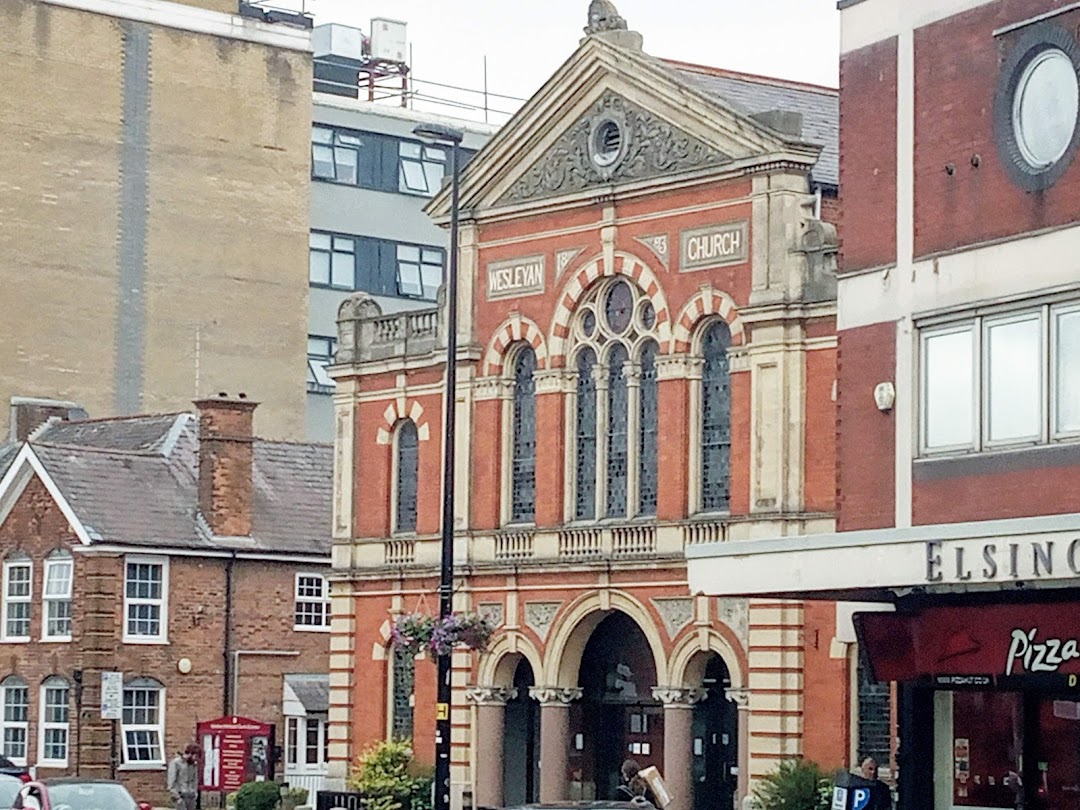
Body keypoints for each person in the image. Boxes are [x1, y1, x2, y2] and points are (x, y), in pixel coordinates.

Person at [167, 743, 200, 810]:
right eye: (195, 755)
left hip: (191, 796)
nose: (196, 758)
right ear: (190, 754)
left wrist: (195, 793)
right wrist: (177, 797)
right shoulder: (176, 763)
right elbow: (171, 783)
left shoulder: (193, 764)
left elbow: (195, 780)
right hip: (180, 795)